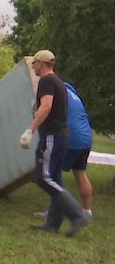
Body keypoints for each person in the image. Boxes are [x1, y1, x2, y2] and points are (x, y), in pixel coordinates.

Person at [24, 50, 90, 237]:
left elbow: (46, 106)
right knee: (55, 178)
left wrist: (30, 129)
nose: (32, 66)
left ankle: (77, 214)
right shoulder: (59, 82)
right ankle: (53, 223)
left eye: (34, 62)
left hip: (52, 136)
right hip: (61, 136)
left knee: (43, 178)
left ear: (42, 63)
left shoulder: (46, 81)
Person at [34, 81, 94, 218]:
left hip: (70, 137)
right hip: (86, 138)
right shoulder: (71, 92)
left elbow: (45, 109)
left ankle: (59, 212)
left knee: (52, 176)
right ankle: (87, 211)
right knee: (80, 174)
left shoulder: (54, 92)